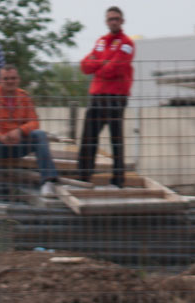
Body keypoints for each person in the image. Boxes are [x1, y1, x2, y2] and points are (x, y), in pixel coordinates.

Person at [77, 5, 134, 188]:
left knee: (116, 139)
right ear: (106, 21)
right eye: (110, 19)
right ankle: (83, 177)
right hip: (97, 95)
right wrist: (104, 62)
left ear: (122, 21)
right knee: (88, 137)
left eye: (116, 18)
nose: (114, 22)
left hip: (116, 96)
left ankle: (118, 181)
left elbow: (115, 68)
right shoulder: (101, 41)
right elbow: (85, 66)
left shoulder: (127, 43)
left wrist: (99, 64)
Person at [0, 65, 60, 197]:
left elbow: (34, 122)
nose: (10, 81)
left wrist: (20, 131)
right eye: (6, 78)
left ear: (18, 79)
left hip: (18, 145)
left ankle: (48, 182)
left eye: (13, 78)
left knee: (39, 134)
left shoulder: (24, 97)